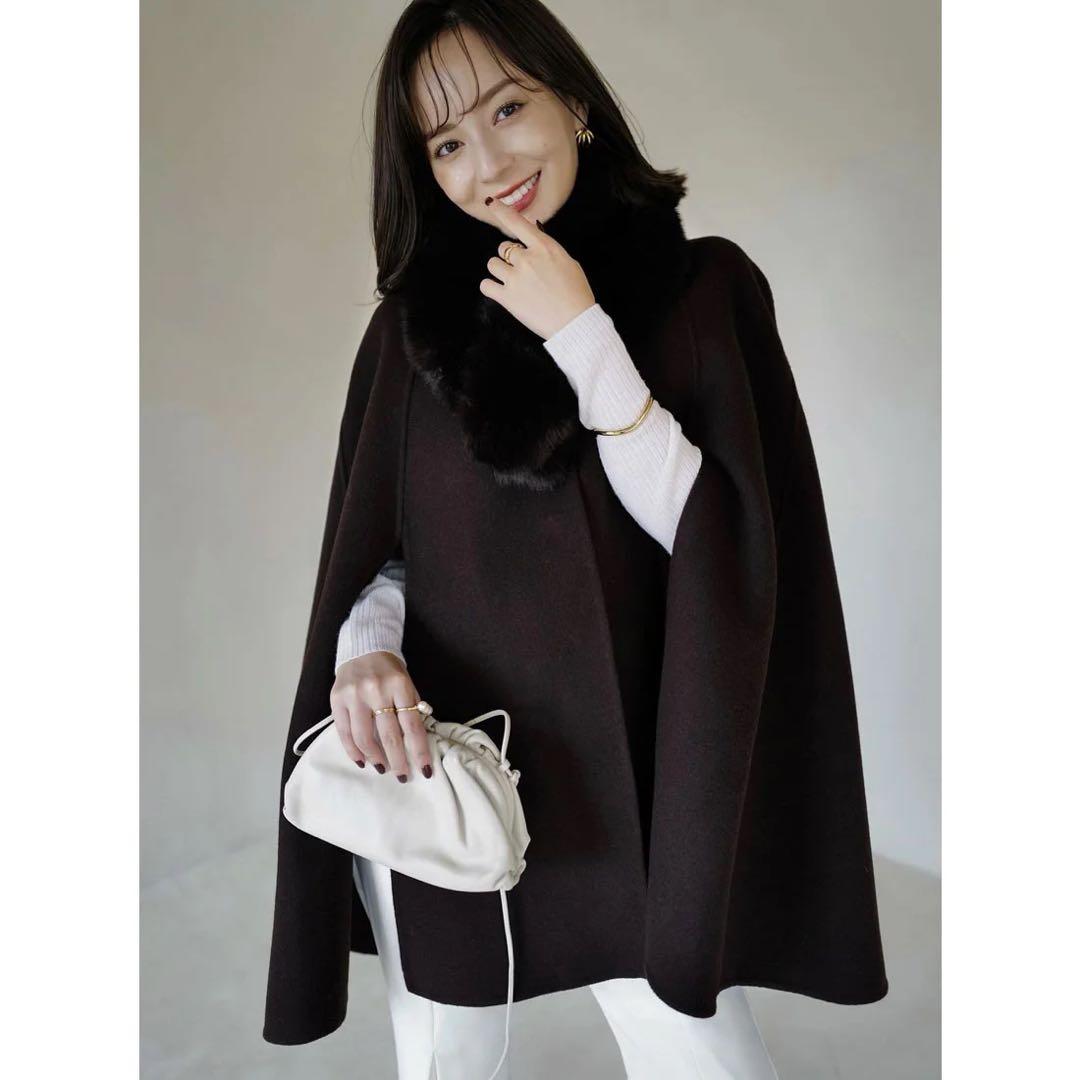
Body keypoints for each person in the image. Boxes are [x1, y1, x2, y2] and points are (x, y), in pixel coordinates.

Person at [263, 1, 889, 1075]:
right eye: (447, 143)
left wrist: (582, 334)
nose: (488, 163)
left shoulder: (707, 291)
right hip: (449, 771)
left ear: (576, 104)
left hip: (631, 788)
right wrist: (364, 647)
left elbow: (724, 544)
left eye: (508, 109)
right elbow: (388, 550)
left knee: (704, 1061)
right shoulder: (413, 332)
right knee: (445, 1060)